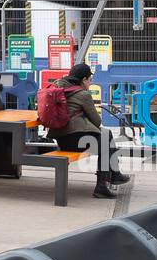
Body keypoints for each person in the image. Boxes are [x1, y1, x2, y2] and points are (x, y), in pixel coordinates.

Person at [48, 62, 130, 199]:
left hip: (60, 139)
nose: (90, 83)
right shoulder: (83, 95)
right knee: (106, 138)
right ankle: (104, 184)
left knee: (105, 136)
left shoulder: (58, 88)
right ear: (84, 79)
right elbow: (97, 122)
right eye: (90, 80)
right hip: (76, 141)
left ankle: (113, 176)